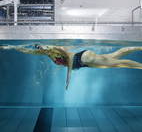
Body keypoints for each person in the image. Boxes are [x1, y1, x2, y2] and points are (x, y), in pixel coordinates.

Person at [1, 44, 142, 90]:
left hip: (83, 58)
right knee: (114, 56)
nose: (41, 50)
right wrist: (11, 47)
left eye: (42, 47)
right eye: (39, 49)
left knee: (117, 64)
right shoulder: (45, 53)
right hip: (83, 63)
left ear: (46, 45)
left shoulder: (56, 48)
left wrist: (68, 77)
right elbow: (27, 51)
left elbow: (69, 57)